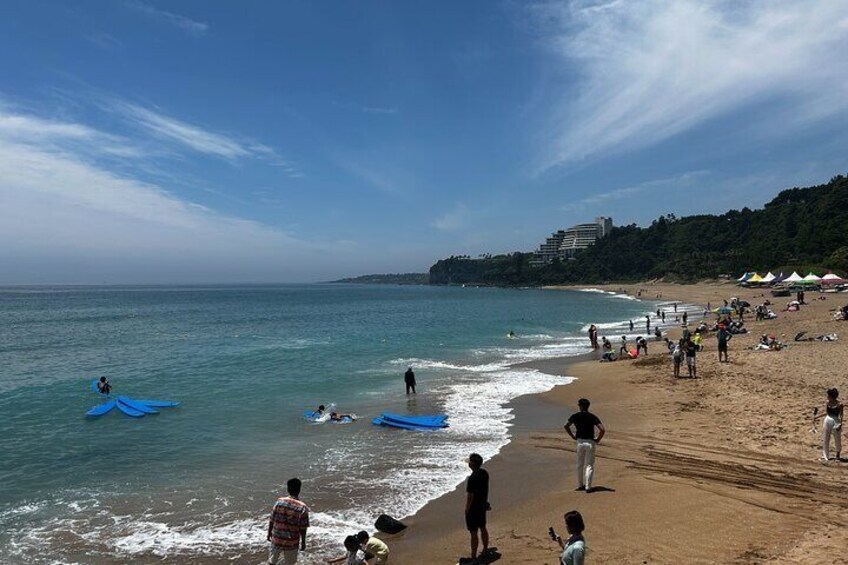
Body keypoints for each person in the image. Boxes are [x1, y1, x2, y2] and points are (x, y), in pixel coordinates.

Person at [564, 398, 605, 492]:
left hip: (580, 441)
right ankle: (588, 486)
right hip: (590, 442)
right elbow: (602, 429)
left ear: (581, 406)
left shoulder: (575, 416)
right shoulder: (592, 416)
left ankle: (580, 485)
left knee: (580, 464)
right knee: (589, 465)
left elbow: (566, 425)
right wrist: (598, 439)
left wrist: (572, 436)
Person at [268, 478, 309, 565]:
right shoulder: (302, 507)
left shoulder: (279, 502)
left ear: (288, 489)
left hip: (277, 538)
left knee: (272, 561)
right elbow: (303, 528)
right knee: (290, 563)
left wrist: (269, 533)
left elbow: (272, 519)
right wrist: (303, 542)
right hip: (291, 541)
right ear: (299, 490)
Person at [463, 453, 490, 563]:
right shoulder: (484, 473)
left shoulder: (472, 479)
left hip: (474, 509)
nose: (468, 463)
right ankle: (485, 549)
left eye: (470, 461)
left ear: (473, 464)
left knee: (473, 533)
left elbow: (470, 497)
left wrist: (467, 510)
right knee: (483, 528)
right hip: (482, 506)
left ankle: (473, 556)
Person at [814, 388, 843, 461]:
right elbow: (827, 412)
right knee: (825, 437)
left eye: (828, 395)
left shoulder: (839, 404)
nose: (827, 397)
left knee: (837, 438)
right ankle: (825, 456)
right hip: (828, 419)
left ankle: (837, 455)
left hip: (836, 420)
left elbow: (841, 415)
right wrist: (817, 416)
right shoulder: (827, 403)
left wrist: (840, 424)